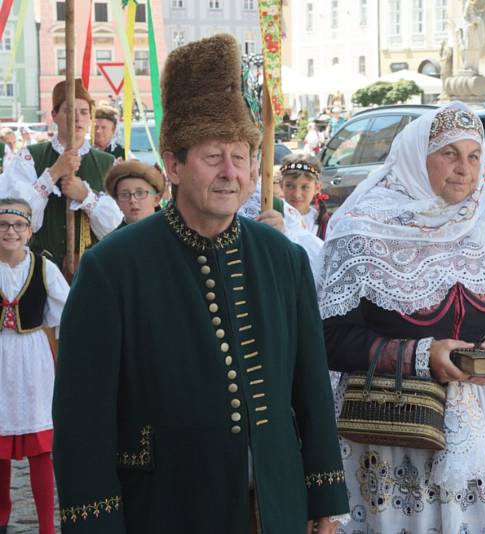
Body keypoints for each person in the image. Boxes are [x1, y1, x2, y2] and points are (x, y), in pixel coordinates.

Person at [51, 33, 348, 534]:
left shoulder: (284, 259)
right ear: (174, 164)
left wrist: (324, 496)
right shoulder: (112, 268)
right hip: (165, 507)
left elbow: (311, 391)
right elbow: (83, 421)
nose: (231, 172)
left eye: (242, 155)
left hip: (273, 506)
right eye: (214, 157)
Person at [319, 102, 485, 533]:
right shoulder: (362, 228)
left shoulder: (482, 226)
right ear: (416, 156)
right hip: (393, 428)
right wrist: (420, 354)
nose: (464, 169)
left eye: (473, 156)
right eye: (449, 154)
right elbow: (328, 336)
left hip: (476, 423)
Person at [0, 80, 122, 271]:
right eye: (69, 111)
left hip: (93, 269)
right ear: (54, 116)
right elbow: (17, 215)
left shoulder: (107, 163)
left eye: (83, 112)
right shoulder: (30, 157)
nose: (77, 119)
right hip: (38, 268)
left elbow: (113, 225)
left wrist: (85, 196)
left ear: (90, 117)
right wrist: (54, 173)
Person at [0, 198, 69, 534]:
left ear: (29, 230)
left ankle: (45, 526)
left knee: (41, 447)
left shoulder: (44, 267)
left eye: (17, 225)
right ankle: (1, 514)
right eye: (3, 225)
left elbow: (66, 313)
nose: (10, 232)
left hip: (33, 358)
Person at [280, 154, 329, 239]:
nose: (296, 194)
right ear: (281, 185)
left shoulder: (323, 224)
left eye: (305, 187)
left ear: (317, 188)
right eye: (290, 186)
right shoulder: (275, 215)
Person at [105, 160, 165, 226]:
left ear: (156, 199)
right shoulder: (115, 236)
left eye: (140, 193)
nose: (132, 200)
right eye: (125, 195)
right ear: (117, 202)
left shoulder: (174, 232)